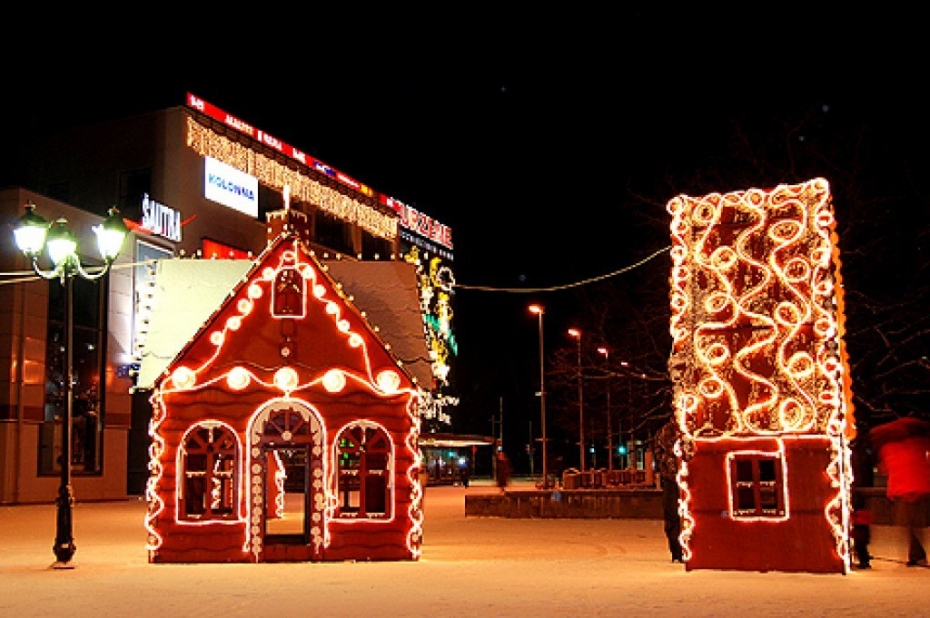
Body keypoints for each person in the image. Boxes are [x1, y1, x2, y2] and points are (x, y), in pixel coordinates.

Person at [873, 417, 930, 566]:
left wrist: (891, 491)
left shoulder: (889, 448)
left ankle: (917, 555)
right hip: (921, 488)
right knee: (916, 525)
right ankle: (917, 555)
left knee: (909, 525)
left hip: (904, 492)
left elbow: (890, 471)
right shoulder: (919, 444)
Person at [653, 419, 689, 563]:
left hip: (673, 478)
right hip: (672, 478)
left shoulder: (668, 432)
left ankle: (678, 551)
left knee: (673, 516)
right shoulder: (669, 432)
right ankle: (677, 551)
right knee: (673, 516)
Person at [850, 496, 873, 569]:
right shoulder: (866, 513)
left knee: (860, 548)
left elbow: (855, 521)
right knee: (863, 547)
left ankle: (863, 561)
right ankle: (865, 561)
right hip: (865, 531)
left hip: (859, 531)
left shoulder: (856, 514)